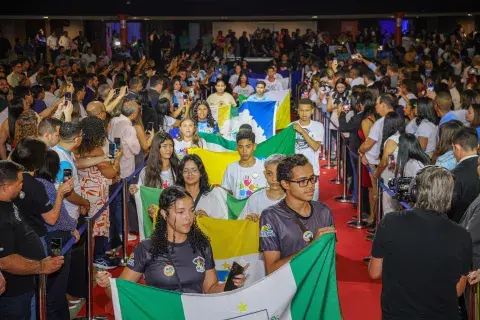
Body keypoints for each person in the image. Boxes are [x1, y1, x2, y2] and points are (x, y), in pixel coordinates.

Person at [95, 186, 247, 294]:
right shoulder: (147, 248)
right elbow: (122, 292)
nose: (188, 217)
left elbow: (210, 289)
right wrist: (109, 286)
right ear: (164, 214)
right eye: (180, 212)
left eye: (191, 211)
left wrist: (230, 284)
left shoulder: (202, 245)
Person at [369, 166, 472, 320]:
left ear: (415, 192)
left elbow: (374, 272)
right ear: (450, 197)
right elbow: (457, 290)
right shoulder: (463, 236)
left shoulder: (390, 222)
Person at [0, 160, 64, 319]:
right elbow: (5, 261)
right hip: (12, 292)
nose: (22, 186)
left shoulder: (9, 202)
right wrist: (41, 266)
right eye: (19, 183)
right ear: (6, 187)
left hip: (24, 286)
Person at [259, 154, 335, 275]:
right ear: (285, 184)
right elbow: (272, 269)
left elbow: (329, 260)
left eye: (312, 179)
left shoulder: (324, 211)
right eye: (302, 181)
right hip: (289, 290)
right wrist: (312, 247)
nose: (311, 185)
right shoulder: (271, 217)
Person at [36, 150, 79, 319]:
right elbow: (58, 217)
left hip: (47, 237)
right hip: (56, 239)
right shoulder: (48, 187)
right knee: (57, 279)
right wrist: (72, 227)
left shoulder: (36, 184)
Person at [77, 116, 121, 270]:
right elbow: (110, 173)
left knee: (87, 231)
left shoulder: (76, 148)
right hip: (95, 196)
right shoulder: (95, 150)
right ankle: (91, 265)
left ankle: (88, 264)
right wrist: (117, 160)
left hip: (82, 192)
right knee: (93, 232)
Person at [175, 154, 228, 219]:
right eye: (186, 171)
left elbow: (219, 225)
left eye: (194, 170)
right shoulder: (175, 197)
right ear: (181, 174)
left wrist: (207, 219)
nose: (190, 174)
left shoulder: (211, 197)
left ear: (201, 173)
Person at [221, 129, 267, 199]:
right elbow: (228, 193)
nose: (244, 151)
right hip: (238, 209)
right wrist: (219, 190)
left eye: (248, 146)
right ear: (237, 147)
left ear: (254, 146)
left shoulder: (263, 167)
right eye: (241, 147)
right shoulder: (231, 168)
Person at [239, 154, 286, 221]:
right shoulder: (255, 199)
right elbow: (242, 224)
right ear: (265, 174)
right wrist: (248, 220)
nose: (274, 179)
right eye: (270, 173)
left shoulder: (294, 199)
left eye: (278, 174)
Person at [293, 98, 324, 200]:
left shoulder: (318, 126)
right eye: (301, 110)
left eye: (307, 110)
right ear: (297, 111)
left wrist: (302, 131)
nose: (304, 113)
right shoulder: (291, 126)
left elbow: (315, 146)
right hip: (295, 172)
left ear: (312, 111)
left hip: (312, 172)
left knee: (313, 205)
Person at [450, 127, 480, 223]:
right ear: (477, 145)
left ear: (457, 148)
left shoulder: (454, 175)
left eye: (453, 148)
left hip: (461, 228)